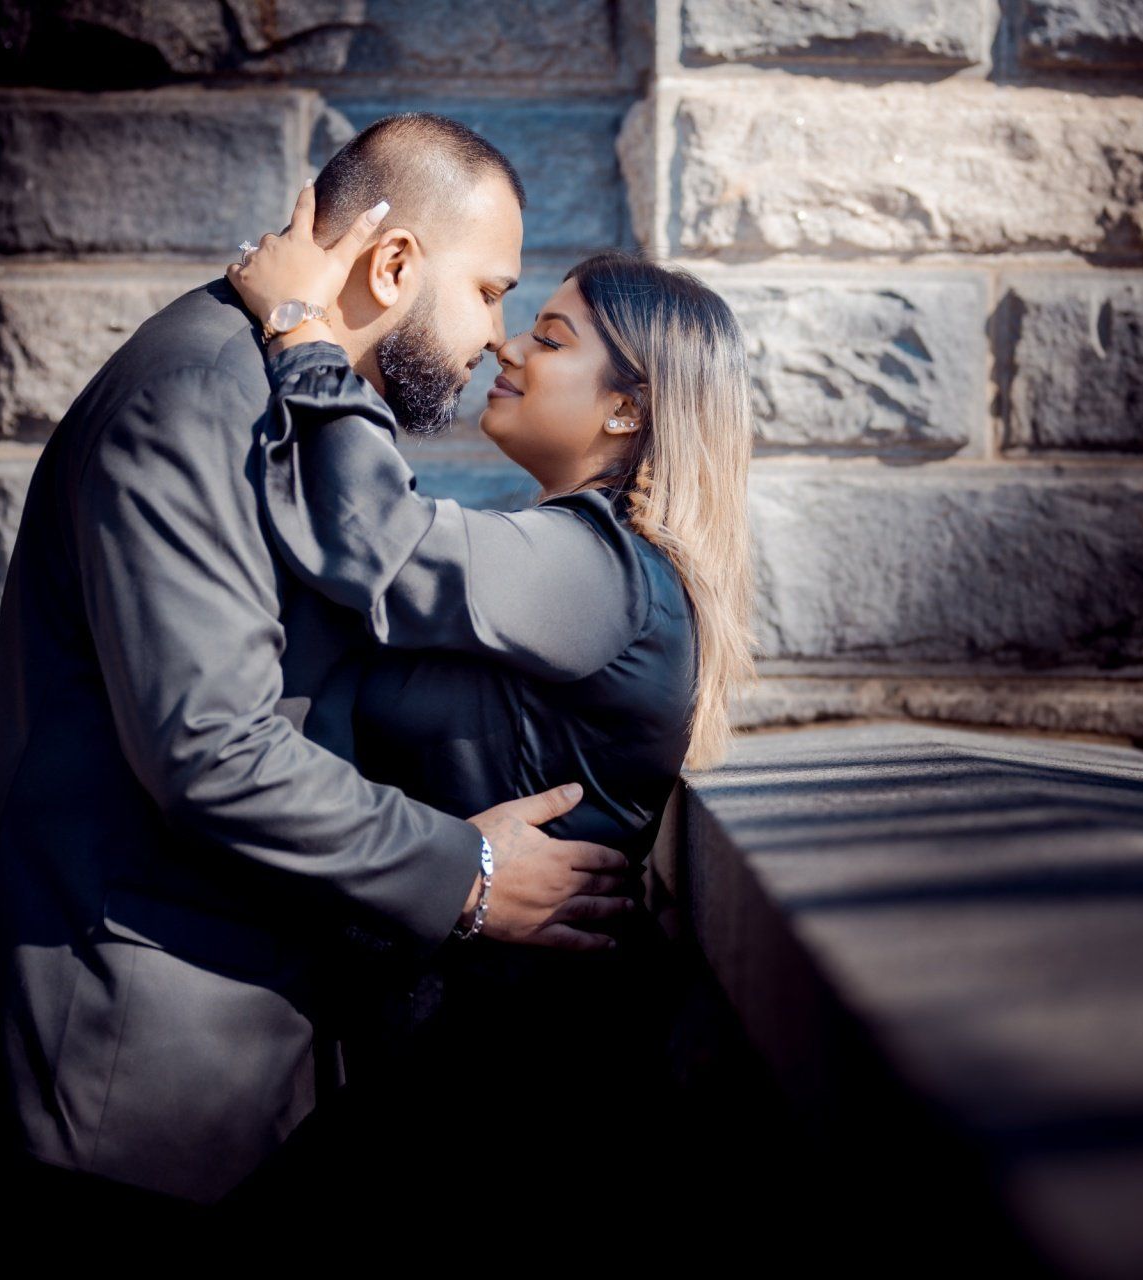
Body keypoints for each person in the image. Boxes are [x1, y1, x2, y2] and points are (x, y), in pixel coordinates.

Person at [0, 112, 644, 1276]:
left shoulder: (276, 386)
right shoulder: (200, 397)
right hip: (120, 1057)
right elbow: (210, 743)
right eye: (486, 290)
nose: (493, 336)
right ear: (391, 266)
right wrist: (464, 876)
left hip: (207, 1039)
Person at [223, 182, 756, 1227]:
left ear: (626, 408)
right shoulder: (566, 556)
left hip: (508, 1100)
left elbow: (380, 537)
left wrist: (302, 328)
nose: (508, 347)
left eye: (550, 337)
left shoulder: (599, 569)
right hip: (453, 1065)